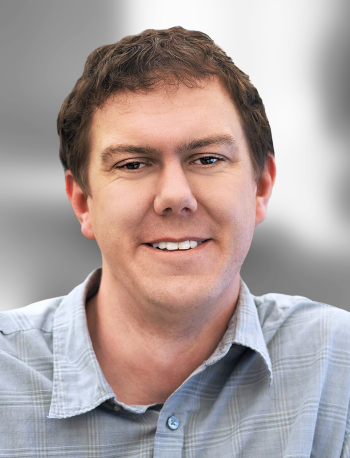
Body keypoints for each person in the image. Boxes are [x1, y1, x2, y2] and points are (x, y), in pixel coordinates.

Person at [0, 26, 350, 458]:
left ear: (260, 187)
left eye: (207, 159)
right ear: (82, 202)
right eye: (133, 164)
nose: (174, 197)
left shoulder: (339, 366)